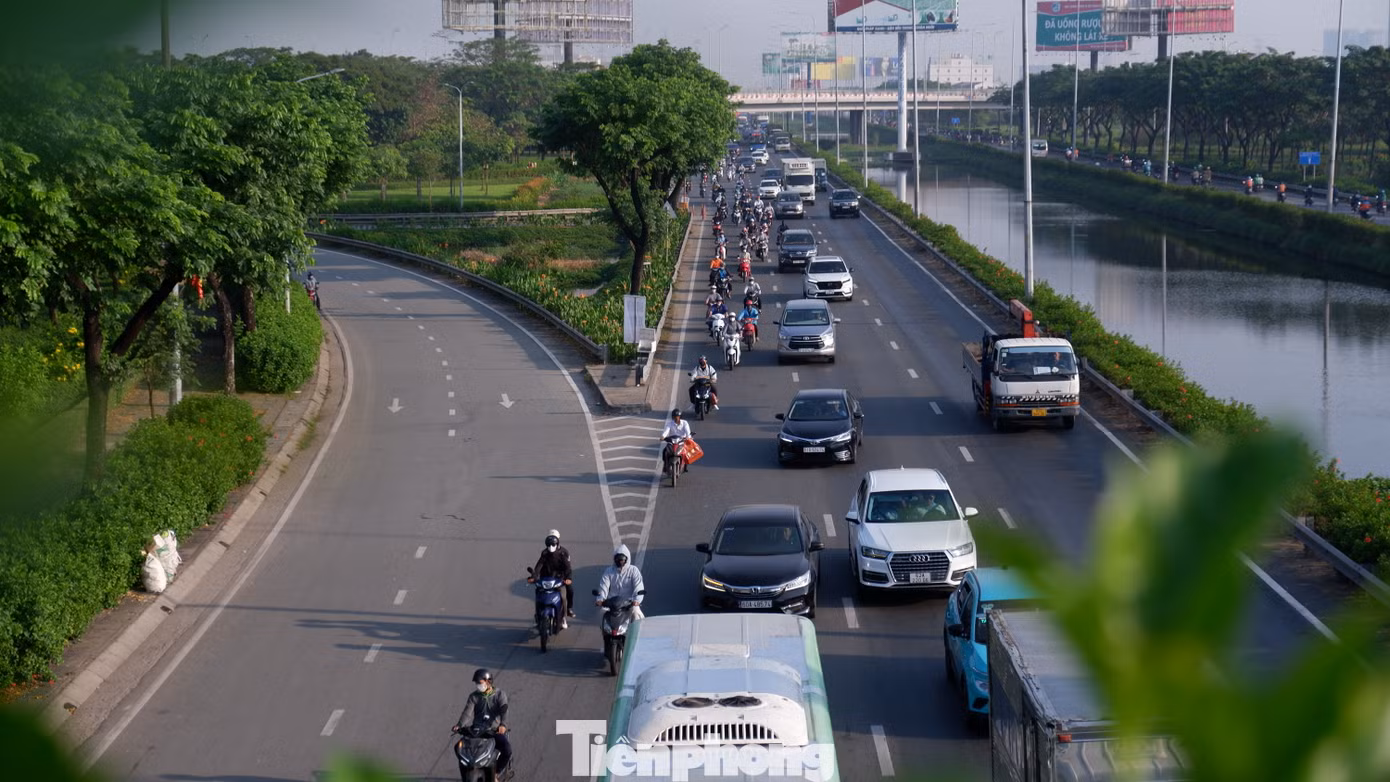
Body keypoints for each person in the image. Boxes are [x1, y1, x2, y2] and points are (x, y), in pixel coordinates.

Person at [452, 669, 511, 781]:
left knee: (507, 750)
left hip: (494, 731)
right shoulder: (473, 696)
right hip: (476, 731)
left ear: (488, 681)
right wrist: (459, 725)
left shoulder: (500, 694)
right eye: (477, 683)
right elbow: (467, 712)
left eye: (479, 683)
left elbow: (504, 709)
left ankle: (496, 773)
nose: (478, 685)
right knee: (458, 748)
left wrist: (503, 724)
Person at [529, 530, 574, 626]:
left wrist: (568, 578)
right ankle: (538, 614)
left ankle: (564, 615)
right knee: (538, 593)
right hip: (546, 579)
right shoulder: (545, 553)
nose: (551, 545)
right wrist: (534, 576)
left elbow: (568, 568)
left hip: (559, 580)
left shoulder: (563, 553)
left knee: (565, 594)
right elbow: (539, 566)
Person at [595, 544, 645, 621]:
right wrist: (601, 599)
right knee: (601, 614)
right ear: (614, 560)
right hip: (612, 603)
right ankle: (604, 632)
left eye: (622, 560)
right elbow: (603, 586)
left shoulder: (634, 571)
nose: (620, 562)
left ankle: (637, 632)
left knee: (637, 614)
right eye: (618, 560)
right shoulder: (609, 571)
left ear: (627, 559)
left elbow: (638, 586)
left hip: (628, 603)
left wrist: (637, 600)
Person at [660, 408, 692, 473]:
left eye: (677, 416)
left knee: (686, 453)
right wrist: (663, 436)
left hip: (681, 441)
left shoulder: (685, 423)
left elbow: (688, 432)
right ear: (673, 417)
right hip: (672, 442)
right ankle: (665, 465)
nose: (676, 418)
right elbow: (666, 431)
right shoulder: (670, 424)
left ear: (680, 417)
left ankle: (685, 466)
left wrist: (688, 437)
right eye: (675, 417)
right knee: (664, 452)